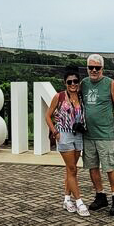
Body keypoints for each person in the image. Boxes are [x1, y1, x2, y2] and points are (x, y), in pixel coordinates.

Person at [82, 53, 114, 216]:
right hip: (88, 135)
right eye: (91, 67)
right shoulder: (84, 84)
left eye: (97, 68)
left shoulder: (110, 84)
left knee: (109, 167)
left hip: (105, 134)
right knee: (92, 167)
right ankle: (100, 196)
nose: (94, 70)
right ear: (87, 68)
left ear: (102, 68)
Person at [46, 69, 89, 216]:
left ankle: (66, 199)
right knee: (72, 170)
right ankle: (79, 202)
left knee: (71, 169)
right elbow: (48, 115)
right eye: (69, 82)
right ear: (65, 83)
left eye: (75, 81)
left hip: (78, 135)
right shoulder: (59, 96)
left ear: (79, 83)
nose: (73, 84)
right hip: (64, 135)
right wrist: (55, 131)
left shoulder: (81, 96)